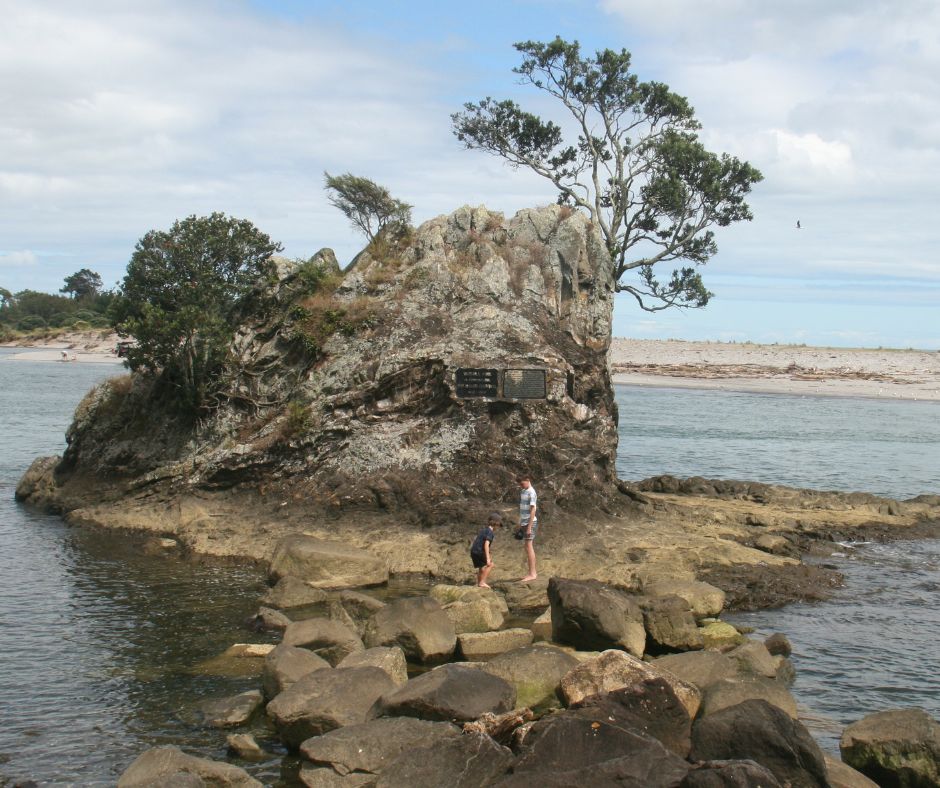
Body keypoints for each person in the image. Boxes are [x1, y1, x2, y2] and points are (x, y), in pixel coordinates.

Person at [470, 512, 502, 588]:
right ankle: (482, 582)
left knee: (481, 567)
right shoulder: (490, 532)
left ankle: (479, 583)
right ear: (496, 524)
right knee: (490, 565)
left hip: (473, 551)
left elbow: (479, 541)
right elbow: (486, 545)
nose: (498, 527)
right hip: (479, 551)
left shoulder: (484, 530)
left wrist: (488, 555)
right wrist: (488, 558)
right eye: (499, 525)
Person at [518, 475, 538, 581]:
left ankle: (533, 574)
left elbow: (533, 510)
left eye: (522, 483)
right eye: (519, 484)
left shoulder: (531, 492)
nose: (521, 485)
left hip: (531, 523)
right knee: (526, 547)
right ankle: (530, 572)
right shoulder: (523, 491)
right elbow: (522, 508)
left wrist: (529, 527)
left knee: (529, 547)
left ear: (528, 480)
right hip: (524, 522)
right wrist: (520, 523)